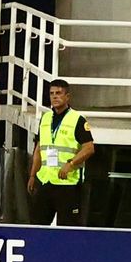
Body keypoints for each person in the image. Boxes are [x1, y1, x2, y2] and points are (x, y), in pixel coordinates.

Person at [28, 78, 94, 226]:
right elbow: (39, 148)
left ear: (67, 97)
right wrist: (33, 175)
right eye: (52, 93)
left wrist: (71, 164)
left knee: (68, 229)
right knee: (37, 226)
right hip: (46, 181)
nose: (55, 96)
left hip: (68, 184)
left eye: (59, 93)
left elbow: (89, 148)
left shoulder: (77, 119)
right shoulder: (45, 118)